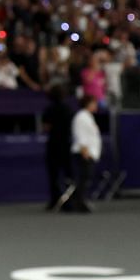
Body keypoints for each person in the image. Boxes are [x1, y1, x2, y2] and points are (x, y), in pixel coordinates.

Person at [66, 92, 102, 214]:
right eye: (94, 103)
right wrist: (85, 151)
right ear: (87, 104)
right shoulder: (81, 117)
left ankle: (77, 201)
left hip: (89, 153)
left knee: (85, 179)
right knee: (83, 179)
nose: (96, 105)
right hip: (83, 153)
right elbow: (80, 135)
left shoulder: (88, 116)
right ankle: (77, 202)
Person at [42, 80, 74, 211]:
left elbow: (46, 127)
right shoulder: (68, 109)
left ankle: (55, 200)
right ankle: (69, 201)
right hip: (66, 144)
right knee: (68, 174)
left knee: (53, 175)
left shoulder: (49, 109)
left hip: (53, 144)